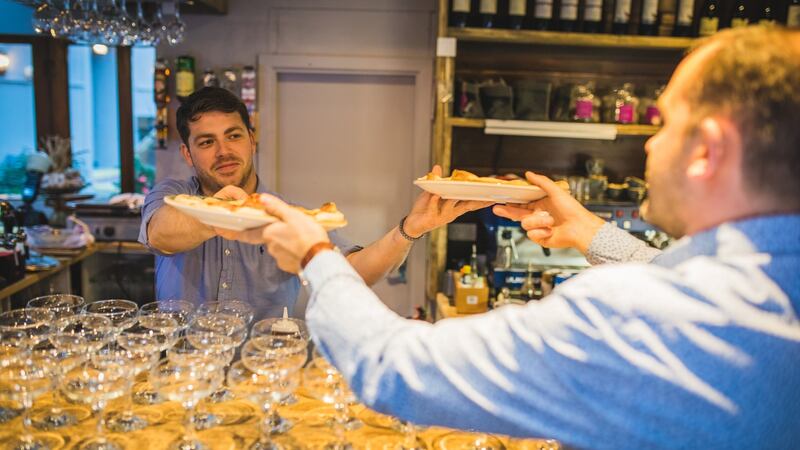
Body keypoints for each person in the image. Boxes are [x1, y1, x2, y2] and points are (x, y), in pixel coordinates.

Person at [248, 27, 800, 449]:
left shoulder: (636, 317)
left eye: (666, 124)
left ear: (707, 149)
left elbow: (393, 367)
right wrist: (586, 231)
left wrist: (315, 256)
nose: (651, 147)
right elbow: (685, 278)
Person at [138, 87, 489, 317]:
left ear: (252, 140)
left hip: (263, 370)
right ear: (187, 153)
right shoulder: (173, 195)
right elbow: (161, 234)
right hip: (183, 372)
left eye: (233, 136)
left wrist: (411, 229)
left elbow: (355, 271)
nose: (224, 151)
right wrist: (225, 212)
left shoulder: (288, 215)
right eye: (206, 142)